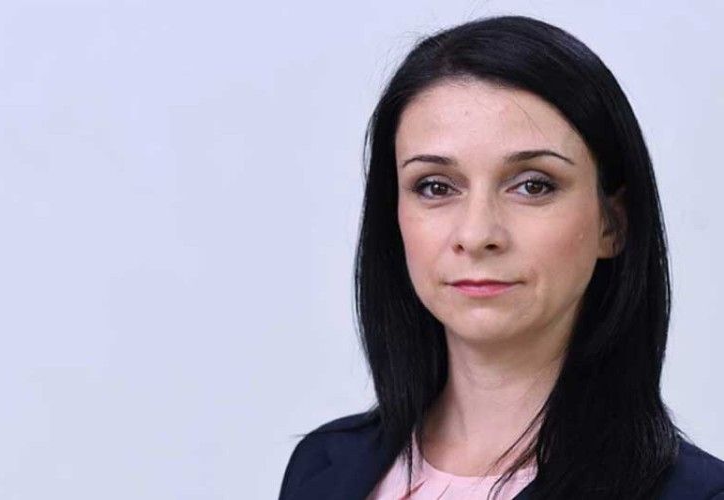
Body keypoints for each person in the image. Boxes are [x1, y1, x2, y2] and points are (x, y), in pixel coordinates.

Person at [278, 14, 724, 500]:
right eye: (435, 187)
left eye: (533, 185)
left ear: (612, 224)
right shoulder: (321, 467)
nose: (476, 235)